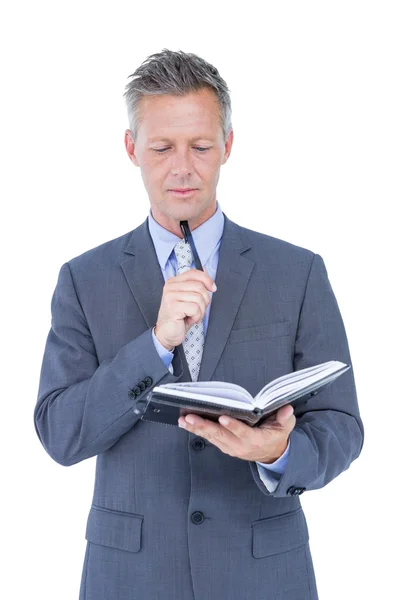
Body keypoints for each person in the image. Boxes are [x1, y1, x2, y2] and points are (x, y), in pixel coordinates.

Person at [34, 48, 364, 600]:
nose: (182, 167)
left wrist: (278, 453)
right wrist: (156, 343)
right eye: (161, 147)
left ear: (228, 146)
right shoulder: (82, 279)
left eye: (202, 146)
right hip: (131, 577)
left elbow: (343, 427)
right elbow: (61, 435)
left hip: (262, 576)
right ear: (131, 148)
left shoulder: (298, 272)